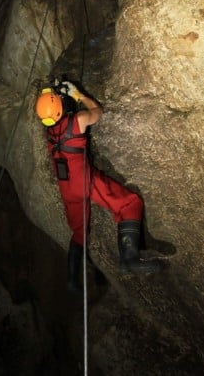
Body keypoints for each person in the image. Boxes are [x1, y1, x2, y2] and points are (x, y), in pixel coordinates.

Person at [35, 79, 160, 291]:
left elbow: (55, 115)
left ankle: (73, 278)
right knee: (129, 203)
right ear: (61, 107)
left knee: (79, 230)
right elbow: (97, 110)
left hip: (66, 189)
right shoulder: (78, 121)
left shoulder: (49, 133)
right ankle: (129, 259)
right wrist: (78, 95)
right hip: (84, 182)